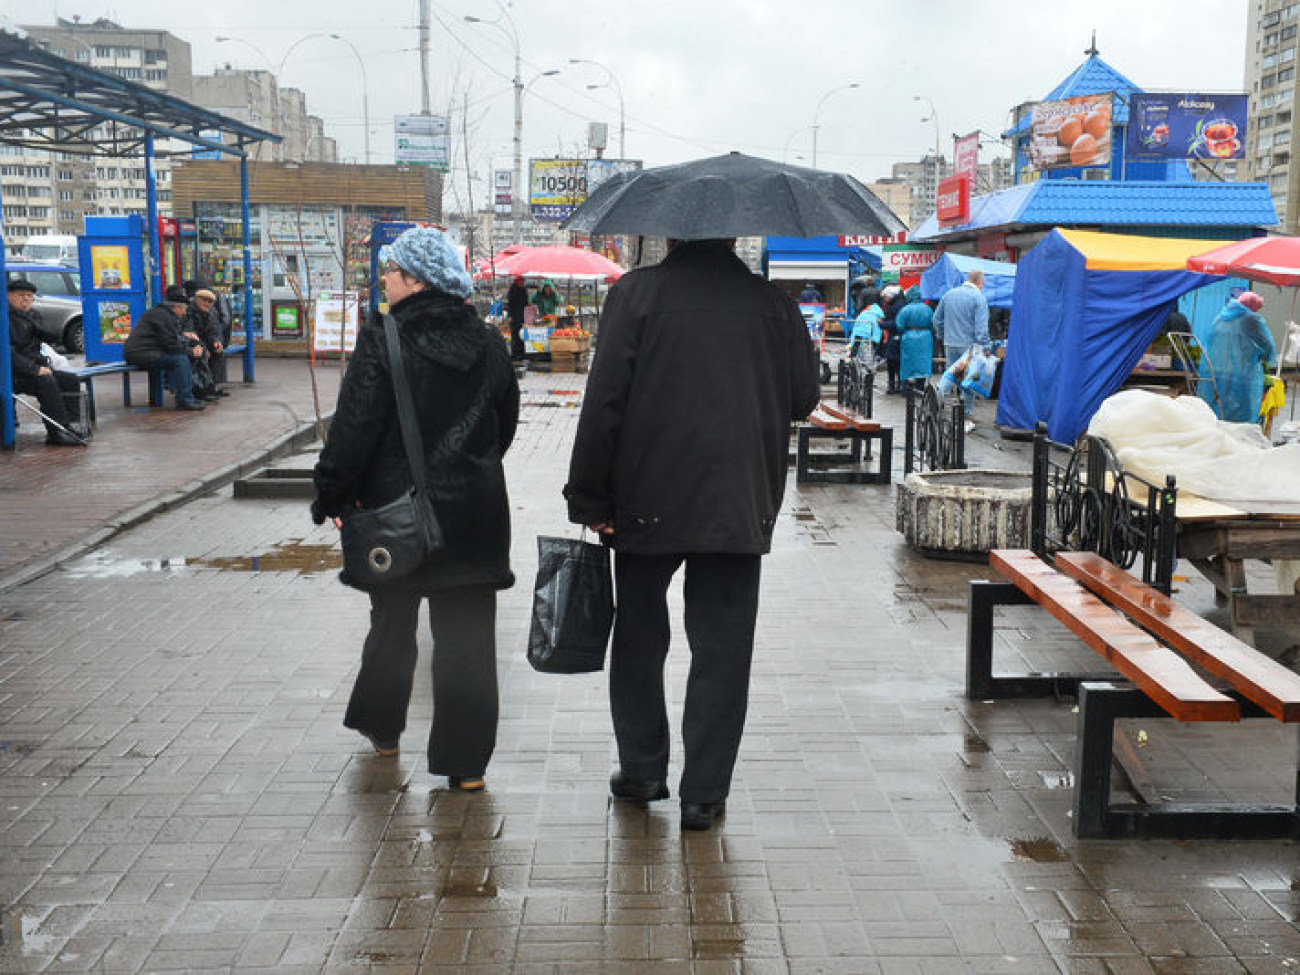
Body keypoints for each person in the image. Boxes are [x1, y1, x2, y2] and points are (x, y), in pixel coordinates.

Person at [564, 237, 820, 831]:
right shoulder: (772, 305)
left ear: (672, 235)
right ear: (733, 237)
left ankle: (642, 769)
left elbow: (604, 401)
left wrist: (589, 497)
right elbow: (804, 398)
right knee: (723, 651)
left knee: (637, 638)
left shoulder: (635, 295)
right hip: (738, 503)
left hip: (644, 498)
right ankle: (704, 795)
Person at [312, 226, 519, 792]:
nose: (385, 279)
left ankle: (384, 730)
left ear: (416, 281)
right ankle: (466, 765)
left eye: (393, 271)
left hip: (393, 516)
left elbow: (354, 427)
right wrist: (468, 469)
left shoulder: (384, 339)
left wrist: (333, 491)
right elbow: (504, 425)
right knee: (469, 640)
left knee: (392, 625)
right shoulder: (488, 341)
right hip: (475, 515)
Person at [7, 279, 83, 445]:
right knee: (46, 381)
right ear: (8, 296)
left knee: (69, 380)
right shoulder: (4, 318)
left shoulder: (31, 315)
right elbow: (8, 353)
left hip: (33, 367)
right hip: (13, 372)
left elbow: (53, 336)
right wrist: (33, 369)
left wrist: (32, 321)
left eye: (29, 296)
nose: (26, 299)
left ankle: (70, 425)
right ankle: (56, 430)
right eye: (21, 295)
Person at [121, 284, 209, 410]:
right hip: (141, 354)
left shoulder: (162, 314)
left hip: (146, 352)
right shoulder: (164, 317)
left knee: (182, 357)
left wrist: (183, 337)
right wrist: (191, 352)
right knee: (181, 360)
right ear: (177, 307)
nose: (185, 313)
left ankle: (192, 394)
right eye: (184, 309)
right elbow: (170, 346)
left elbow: (168, 339)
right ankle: (185, 400)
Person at [1196, 290, 1278, 424]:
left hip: (1215, 371)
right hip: (1241, 374)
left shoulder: (1220, 317)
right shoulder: (1251, 319)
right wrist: (1266, 357)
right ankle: (1239, 437)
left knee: (1219, 408)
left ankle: (1219, 432)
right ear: (1252, 306)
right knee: (1242, 412)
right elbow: (1266, 344)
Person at [932, 269, 990, 420]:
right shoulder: (979, 298)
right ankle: (963, 410)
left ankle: (942, 400)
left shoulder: (948, 295)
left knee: (954, 373)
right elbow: (981, 329)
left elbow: (936, 319)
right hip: (970, 346)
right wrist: (986, 346)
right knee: (970, 377)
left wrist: (942, 334)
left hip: (950, 343)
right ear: (979, 282)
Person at [897, 286, 935, 388]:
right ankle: (921, 386)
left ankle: (907, 387)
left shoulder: (905, 309)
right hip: (925, 338)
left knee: (908, 362)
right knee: (923, 361)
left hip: (909, 337)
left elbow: (899, 325)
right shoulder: (927, 309)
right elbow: (933, 324)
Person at [879, 284, 907, 393]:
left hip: (896, 337)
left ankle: (895, 385)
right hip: (894, 336)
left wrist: (883, 324)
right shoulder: (896, 304)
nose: (885, 299)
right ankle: (896, 384)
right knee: (893, 361)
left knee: (894, 361)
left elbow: (896, 323)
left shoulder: (897, 306)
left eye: (886, 297)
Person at [847, 293, 883, 363]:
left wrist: (852, 346)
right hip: (873, 337)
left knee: (858, 351)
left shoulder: (864, 314)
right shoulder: (878, 315)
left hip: (860, 337)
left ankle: (854, 362)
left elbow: (858, 328)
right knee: (870, 353)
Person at [505, 275, 528, 360]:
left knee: (522, 334)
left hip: (522, 315)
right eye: (521, 282)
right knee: (515, 335)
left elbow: (525, 302)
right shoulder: (512, 290)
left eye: (523, 282)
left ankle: (522, 353)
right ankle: (515, 354)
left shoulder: (524, 290)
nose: (522, 283)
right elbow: (510, 304)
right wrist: (510, 315)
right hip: (514, 316)